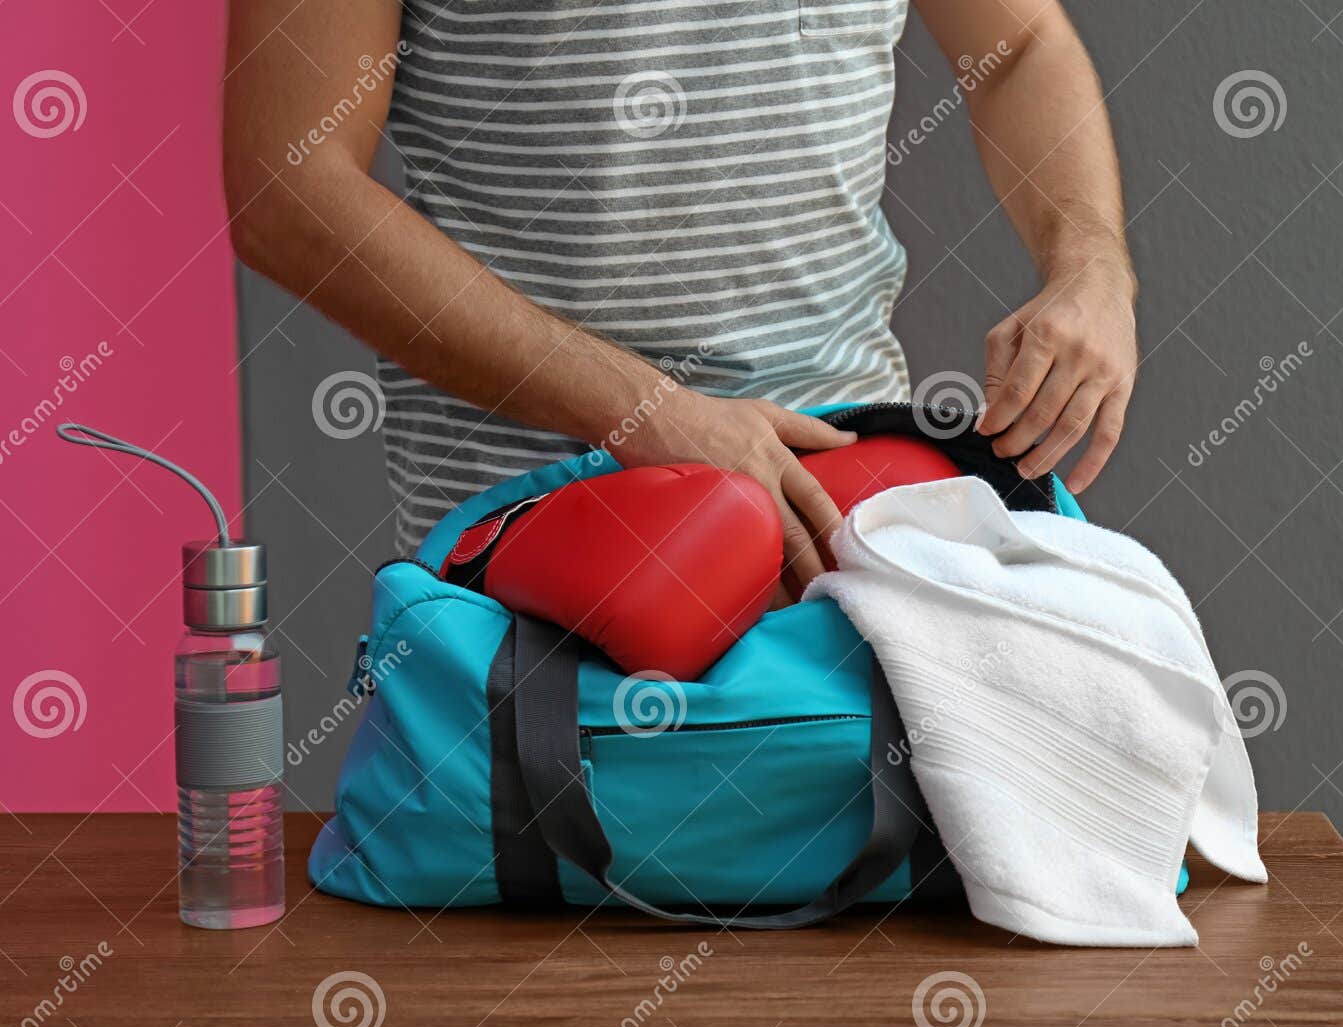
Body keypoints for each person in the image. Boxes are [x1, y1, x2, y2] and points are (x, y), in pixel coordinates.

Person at [224, 0, 1137, 593]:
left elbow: (1020, 47)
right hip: (531, 568)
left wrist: (1092, 259)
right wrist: (648, 414)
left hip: (849, 543)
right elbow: (286, 191)